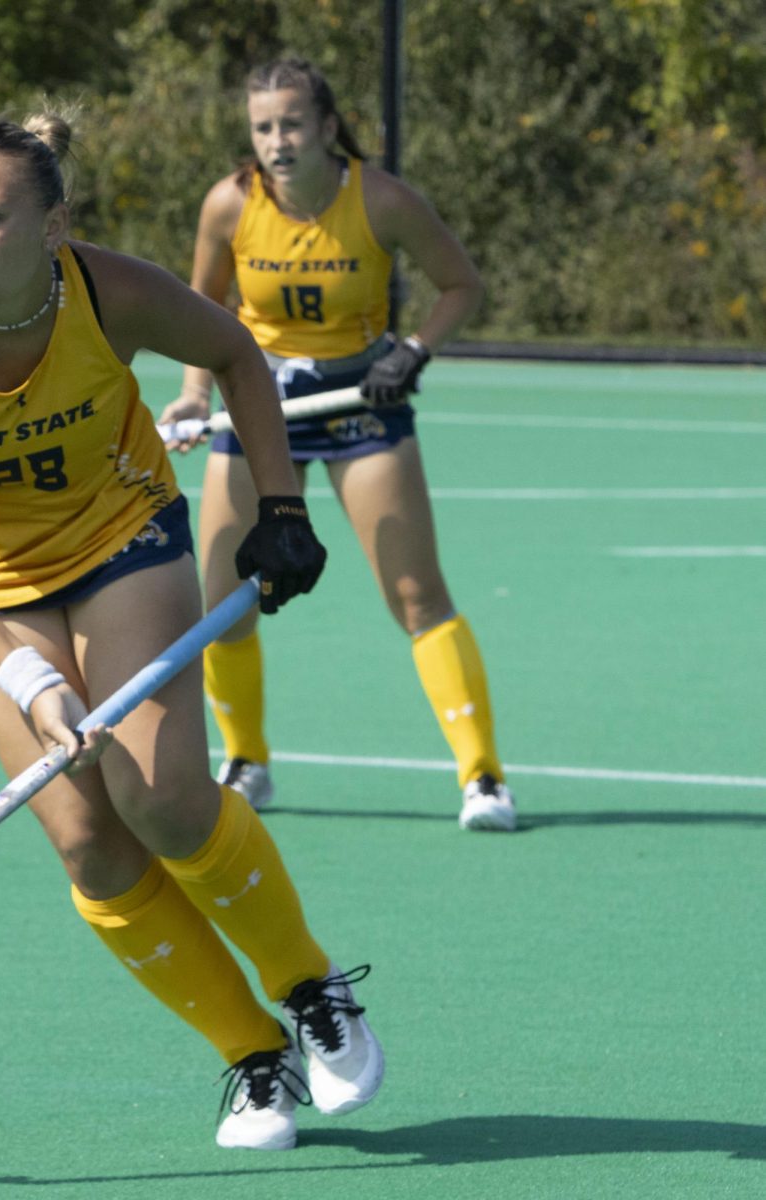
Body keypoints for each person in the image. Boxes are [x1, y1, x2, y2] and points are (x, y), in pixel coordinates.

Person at [0, 112, 384, 1150]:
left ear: (52, 225)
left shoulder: (110, 292)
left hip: (120, 541)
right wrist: (21, 674)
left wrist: (280, 508)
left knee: (166, 799)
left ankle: (308, 985)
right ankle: (250, 1057)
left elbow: (236, 352)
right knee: (90, 845)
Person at [159, 58, 516, 832]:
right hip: (258, 407)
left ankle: (482, 777)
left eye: (291, 124)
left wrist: (414, 348)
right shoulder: (229, 204)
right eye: (262, 128)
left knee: (416, 595)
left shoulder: (381, 200)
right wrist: (193, 394)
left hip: (361, 407)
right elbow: (201, 308)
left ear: (325, 127)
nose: (277, 142)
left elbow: (461, 284)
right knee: (226, 601)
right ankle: (246, 761)